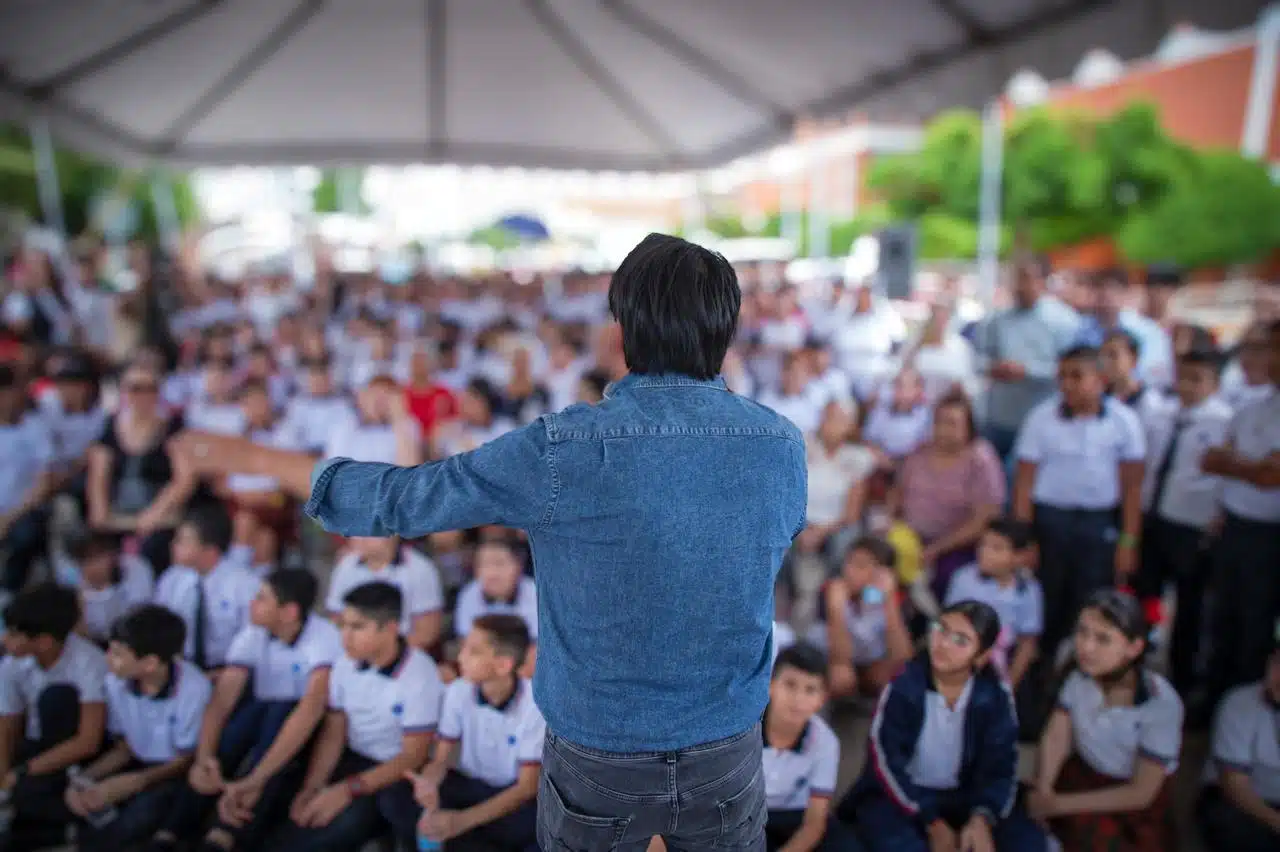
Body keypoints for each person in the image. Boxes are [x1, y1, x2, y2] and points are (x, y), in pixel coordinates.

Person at [174, 233, 806, 849]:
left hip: (599, 749)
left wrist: (248, 454)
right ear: (724, 333)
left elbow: (407, 499)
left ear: (621, 333)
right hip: (727, 743)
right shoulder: (780, 447)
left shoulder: (565, 447)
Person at [148, 569, 341, 852]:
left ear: (288, 612)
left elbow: (309, 712)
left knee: (280, 711)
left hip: (303, 733)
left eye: (261, 599)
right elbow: (221, 703)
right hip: (263, 721)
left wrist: (257, 778)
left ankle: (226, 833)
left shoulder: (323, 638)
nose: (252, 604)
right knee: (241, 725)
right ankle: (172, 829)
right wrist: (204, 757)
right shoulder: (253, 634)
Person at [838, 601, 1046, 852]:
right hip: (903, 796)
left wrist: (982, 818)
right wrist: (931, 821)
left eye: (961, 640)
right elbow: (885, 760)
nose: (943, 643)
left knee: (1028, 843)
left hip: (966, 795)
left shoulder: (995, 696)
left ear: (981, 655)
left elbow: (1002, 765)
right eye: (941, 628)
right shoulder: (904, 685)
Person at [276, 582, 440, 852]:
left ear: (390, 629)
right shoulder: (344, 663)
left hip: (393, 775)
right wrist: (313, 786)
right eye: (343, 626)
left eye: (357, 627)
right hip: (351, 761)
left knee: (333, 831)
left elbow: (414, 756)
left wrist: (344, 791)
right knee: (295, 809)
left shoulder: (420, 675)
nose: (345, 637)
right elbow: (334, 731)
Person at [1012, 345, 1145, 672]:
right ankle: (1039, 671)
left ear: (1100, 379)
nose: (1067, 384)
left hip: (1097, 523)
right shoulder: (1041, 418)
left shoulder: (1124, 422)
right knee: (1047, 597)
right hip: (1050, 521)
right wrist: (1023, 539)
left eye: (1076, 376)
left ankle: (1081, 669)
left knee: (1090, 597)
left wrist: (1128, 541)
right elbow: (1024, 484)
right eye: (1062, 376)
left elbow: (1131, 488)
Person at [1027, 591, 1182, 852]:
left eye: (1103, 639)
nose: (1086, 647)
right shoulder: (1079, 676)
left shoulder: (1161, 705)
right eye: (1083, 632)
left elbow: (1141, 793)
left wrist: (1058, 805)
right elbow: (1056, 737)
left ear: (1134, 648)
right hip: (1082, 774)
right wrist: (1044, 790)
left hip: (1126, 798)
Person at [68, 605, 213, 852]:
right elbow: (124, 748)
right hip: (137, 763)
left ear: (149, 663)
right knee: (79, 798)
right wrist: (84, 780)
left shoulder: (193, 689)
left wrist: (135, 782)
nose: (108, 659)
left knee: (140, 817)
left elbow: (186, 758)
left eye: (117, 654)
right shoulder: (115, 682)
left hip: (173, 773)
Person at [1134, 344, 1231, 698]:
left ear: (1215, 384)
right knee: (1147, 595)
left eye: (1198, 379)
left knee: (1189, 607)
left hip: (1192, 527)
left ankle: (1182, 680)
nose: (1188, 386)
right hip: (1155, 519)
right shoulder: (1162, 414)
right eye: (1184, 377)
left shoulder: (1223, 422)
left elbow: (1223, 479)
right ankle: (1136, 663)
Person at [408, 614, 544, 851]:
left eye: (474, 651)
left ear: (503, 665)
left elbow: (526, 787)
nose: (460, 657)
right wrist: (429, 782)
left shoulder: (535, 706)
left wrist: (461, 822)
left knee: (528, 830)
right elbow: (441, 760)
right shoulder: (459, 691)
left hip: (511, 797)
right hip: (469, 785)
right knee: (404, 804)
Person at [1201, 320, 1280, 707]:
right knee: (1223, 620)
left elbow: (1271, 476)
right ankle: (1216, 703)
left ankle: (1243, 707)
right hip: (1233, 525)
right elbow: (1211, 459)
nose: (1268, 359)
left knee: (1255, 627)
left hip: (1268, 536)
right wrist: (1252, 467)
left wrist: (1242, 466)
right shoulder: (1251, 405)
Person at [0, 584, 108, 851]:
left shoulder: (88, 663)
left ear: (45, 641)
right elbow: (8, 722)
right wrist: (2, 774)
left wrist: (23, 772)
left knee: (56, 698)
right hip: (35, 745)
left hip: (72, 751)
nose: (5, 640)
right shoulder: (12, 664)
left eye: (14, 634)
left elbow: (88, 740)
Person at [893, 391, 1005, 603]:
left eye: (952, 423)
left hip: (958, 545)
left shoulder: (980, 459)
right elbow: (897, 494)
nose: (943, 429)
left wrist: (936, 548)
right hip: (911, 537)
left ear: (969, 427)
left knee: (948, 577)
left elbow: (985, 518)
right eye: (939, 422)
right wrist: (891, 522)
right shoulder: (920, 451)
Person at [86, 359, 195, 574]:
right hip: (117, 513)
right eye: (135, 388)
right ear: (124, 391)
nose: (142, 395)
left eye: (150, 389)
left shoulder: (173, 428)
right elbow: (98, 475)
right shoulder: (109, 426)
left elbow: (184, 479)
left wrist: (154, 514)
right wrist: (100, 512)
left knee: (154, 551)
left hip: (159, 514)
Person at [759, 644, 862, 852]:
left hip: (795, 816)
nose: (798, 700)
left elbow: (814, 822)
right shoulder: (745, 732)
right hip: (747, 818)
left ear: (821, 699)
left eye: (810, 690)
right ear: (770, 685)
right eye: (790, 685)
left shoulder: (825, 742)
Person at [1197, 632, 1280, 850]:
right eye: (1278, 664)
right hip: (1243, 802)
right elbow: (1234, 784)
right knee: (1232, 828)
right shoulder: (1239, 702)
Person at [153, 506, 260, 671]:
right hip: (180, 669)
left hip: (230, 670)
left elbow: (253, 640)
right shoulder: (171, 578)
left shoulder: (245, 584)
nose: (173, 545)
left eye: (183, 541)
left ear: (210, 550)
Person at [943, 518, 1042, 690]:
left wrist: (1010, 684)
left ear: (1018, 556)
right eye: (983, 545)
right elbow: (949, 623)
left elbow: (1027, 642)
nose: (985, 552)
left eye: (997, 548)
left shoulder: (1028, 589)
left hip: (1004, 661)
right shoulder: (963, 579)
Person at [818, 537, 913, 700]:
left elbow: (902, 657)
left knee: (893, 675)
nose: (849, 571)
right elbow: (840, 659)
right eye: (849, 563)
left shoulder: (896, 598)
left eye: (860, 566)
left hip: (873, 664)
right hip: (836, 660)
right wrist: (836, 610)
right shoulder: (833, 591)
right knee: (840, 676)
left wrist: (890, 603)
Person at [326, 537, 444, 652]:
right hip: (354, 653)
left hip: (404, 656)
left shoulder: (420, 569)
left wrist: (384, 654)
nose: (359, 538)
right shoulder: (346, 565)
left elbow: (427, 633)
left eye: (368, 531)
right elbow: (336, 618)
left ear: (393, 533)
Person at [52, 531, 155, 645]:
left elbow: (140, 616)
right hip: (92, 644)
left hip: (133, 641)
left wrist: (107, 588)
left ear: (113, 553)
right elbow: (77, 633)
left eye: (99, 555)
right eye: (86, 559)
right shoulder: (70, 578)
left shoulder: (135, 567)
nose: (94, 564)